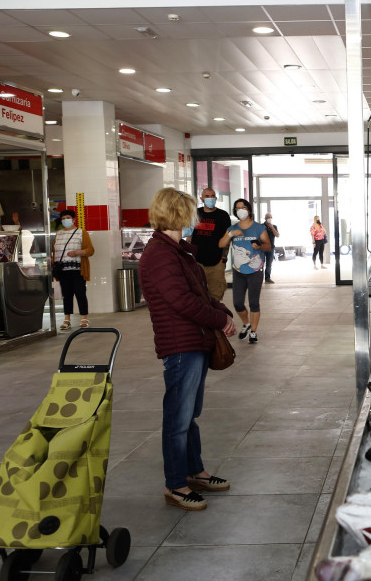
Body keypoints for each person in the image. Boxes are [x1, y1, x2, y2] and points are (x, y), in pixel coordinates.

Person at [139, 188, 236, 511]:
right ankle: (176, 484)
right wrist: (219, 321)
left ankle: (195, 472)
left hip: (194, 340)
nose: (197, 216)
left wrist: (221, 312)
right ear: (179, 214)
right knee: (178, 418)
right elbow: (181, 302)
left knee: (189, 414)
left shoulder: (178, 250)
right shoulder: (160, 254)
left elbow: (198, 292)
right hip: (180, 344)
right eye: (192, 211)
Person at [218, 199, 270, 344]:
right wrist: (230, 234)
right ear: (235, 211)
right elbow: (221, 244)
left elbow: (268, 246)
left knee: (254, 303)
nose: (241, 210)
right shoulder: (232, 229)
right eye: (238, 208)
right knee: (237, 303)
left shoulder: (259, 228)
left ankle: (253, 332)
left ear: (249, 209)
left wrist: (260, 247)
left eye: (243, 207)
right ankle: (246, 323)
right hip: (238, 271)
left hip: (255, 270)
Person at [52, 209, 94, 331]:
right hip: (63, 270)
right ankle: (67, 319)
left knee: (80, 293)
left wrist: (77, 252)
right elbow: (55, 252)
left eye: (68, 218)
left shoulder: (81, 233)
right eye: (63, 218)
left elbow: (90, 250)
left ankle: (84, 318)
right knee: (67, 295)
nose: (66, 220)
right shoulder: (58, 234)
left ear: (74, 219)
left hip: (77, 269)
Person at [190, 188, 231, 301]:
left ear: (216, 198)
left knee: (216, 293)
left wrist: (223, 258)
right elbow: (189, 236)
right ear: (202, 198)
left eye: (212, 196)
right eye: (207, 196)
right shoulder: (195, 213)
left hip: (216, 261)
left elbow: (227, 238)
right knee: (198, 293)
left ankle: (215, 316)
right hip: (197, 261)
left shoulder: (223, 215)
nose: (210, 198)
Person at [262, 212, 279, 284]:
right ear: (265, 218)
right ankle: (259, 278)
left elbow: (277, 235)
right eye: (268, 217)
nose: (269, 219)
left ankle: (267, 278)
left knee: (269, 264)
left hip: (271, 248)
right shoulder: (261, 226)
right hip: (262, 248)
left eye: (271, 217)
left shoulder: (274, 226)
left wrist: (272, 227)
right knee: (260, 264)